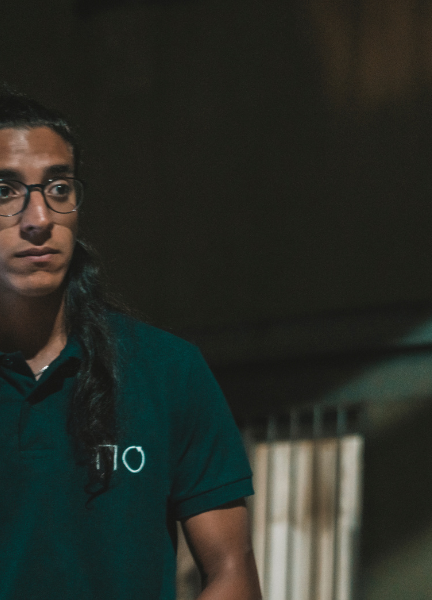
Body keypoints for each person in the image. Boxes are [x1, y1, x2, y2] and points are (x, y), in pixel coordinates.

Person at [0, 88, 262, 599]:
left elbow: (231, 570)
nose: (39, 218)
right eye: (5, 191)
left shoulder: (166, 371)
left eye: (58, 188)